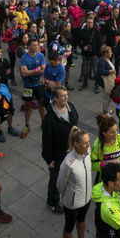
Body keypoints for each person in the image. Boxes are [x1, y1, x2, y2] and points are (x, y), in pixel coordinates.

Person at [42, 86, 79, 214]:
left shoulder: (71, 107)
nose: (65, 98)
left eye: (66, 94)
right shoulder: (49, 118)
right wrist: (48, 159)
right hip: (57, 154)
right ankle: (52, 202)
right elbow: (46, 140)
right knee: (56, 178)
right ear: (55, 98)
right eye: (62, 96)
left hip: (71, 150)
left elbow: (76, 124)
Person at [56, 128, 93, 238]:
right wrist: (68, 196)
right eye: (85, 143)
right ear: (76, 144)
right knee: (69, 227)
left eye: (88, 141)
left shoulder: (88, 153)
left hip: (86, 198)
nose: (88, 145)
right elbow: (60, 185)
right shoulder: (68, 163)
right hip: (73, 203)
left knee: (81, 220)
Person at [91, 113, 120, 184]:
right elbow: (93, 165)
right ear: (104, 133)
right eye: (112, 132)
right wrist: (104, 165)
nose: (116, 134)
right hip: (105, 182)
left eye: (116, 130)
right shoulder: (97, 145)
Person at [20, 36, 47, 138]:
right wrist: (36, 70)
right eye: (34, 45)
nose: (36, 47)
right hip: (28, 85)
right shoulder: (24, 57)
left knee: (41, 103)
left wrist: (30, 72)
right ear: (29, 47)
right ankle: (27, 125)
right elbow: (23, 73)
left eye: (37, 45)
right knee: (28, 106)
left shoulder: (40, 56)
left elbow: (43, 70)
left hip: (39, 84)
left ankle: (43, 122)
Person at [97, 45, 117, 114]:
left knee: (108, 97)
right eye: (110, 52)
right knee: (107, 97)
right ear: (106, 53)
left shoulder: (107, 59)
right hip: (106, 83)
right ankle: (105, 112)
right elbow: (101, 71)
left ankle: (106, 110)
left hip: (109, 81)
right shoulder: (102, 61)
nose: (111, 53)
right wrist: (111, 71)